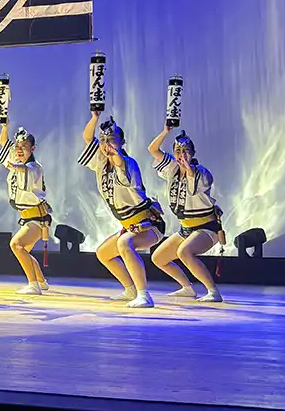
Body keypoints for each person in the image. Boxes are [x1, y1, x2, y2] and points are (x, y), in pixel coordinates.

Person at [78, 112, 165, 308]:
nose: (106, 144)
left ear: (122, 142)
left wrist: (114, 152)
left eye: (111, 140)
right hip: (129, 224)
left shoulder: (128, 162)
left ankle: (144, 294)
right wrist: (94, 117)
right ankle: (130, 289)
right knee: (103, 253)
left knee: (125, 243)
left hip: (149, 223)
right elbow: (87, 138)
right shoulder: (101, 162)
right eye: (103, 140)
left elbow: (119, 163)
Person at [148, 128, 224, 302]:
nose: (181, 155)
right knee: (158, 258)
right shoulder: (172, 168)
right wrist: (166, 131)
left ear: (193, 153)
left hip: (206, 228)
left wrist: (187, 167)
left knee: (184, 251)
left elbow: (194, 179)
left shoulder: (202, 173)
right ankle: (187, 288)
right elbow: (153, 149)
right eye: (178, 151)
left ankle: (213, 291)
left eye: (186, 151)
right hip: (186, 228)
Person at [0, 124, 50, 295]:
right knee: (23, 251)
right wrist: (4, 126)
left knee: (16, 245)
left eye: (24, 146)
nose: (19, 150)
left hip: (38, 217)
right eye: (17, 147)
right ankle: (41, 282)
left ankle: (33, 285)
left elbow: (23, 169)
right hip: (28, 217)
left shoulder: (34, 167)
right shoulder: (17, 161)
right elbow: (3, 142)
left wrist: (14, 164)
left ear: (33, 148)